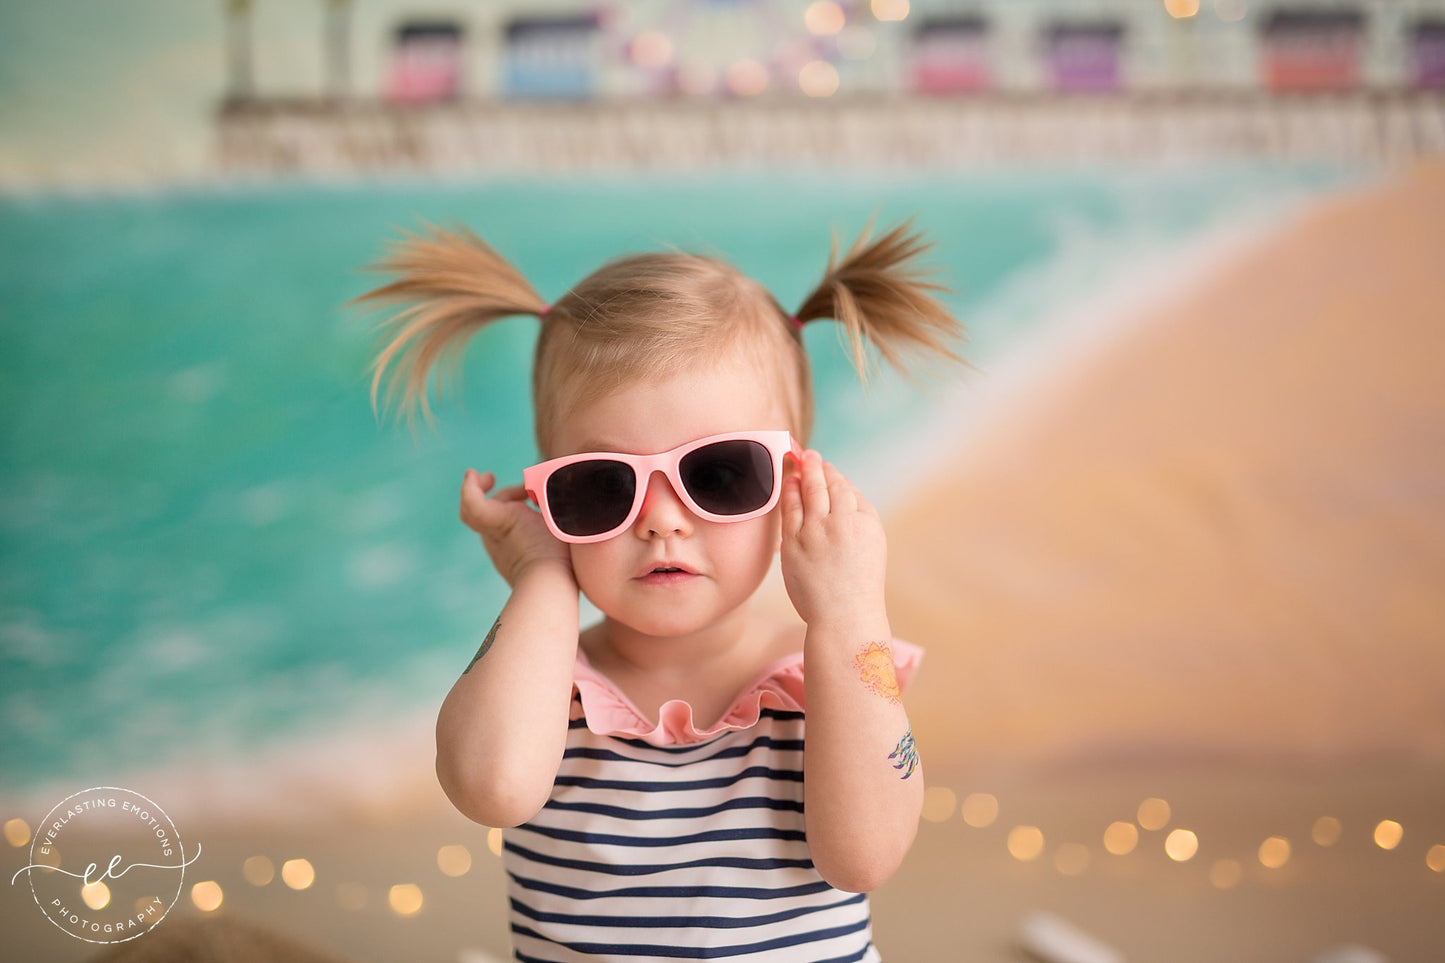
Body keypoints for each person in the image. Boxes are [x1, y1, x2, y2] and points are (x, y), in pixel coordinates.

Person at [355, 220, 963, 961]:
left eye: (718, 473)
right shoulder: (541, 688)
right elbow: (491, 787)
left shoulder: (834, 669)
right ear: (550, 502)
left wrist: (848, 611)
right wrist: (541, 577)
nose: (661, 520)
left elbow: (865, 856)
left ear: (795, 485)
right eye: (601, 485)